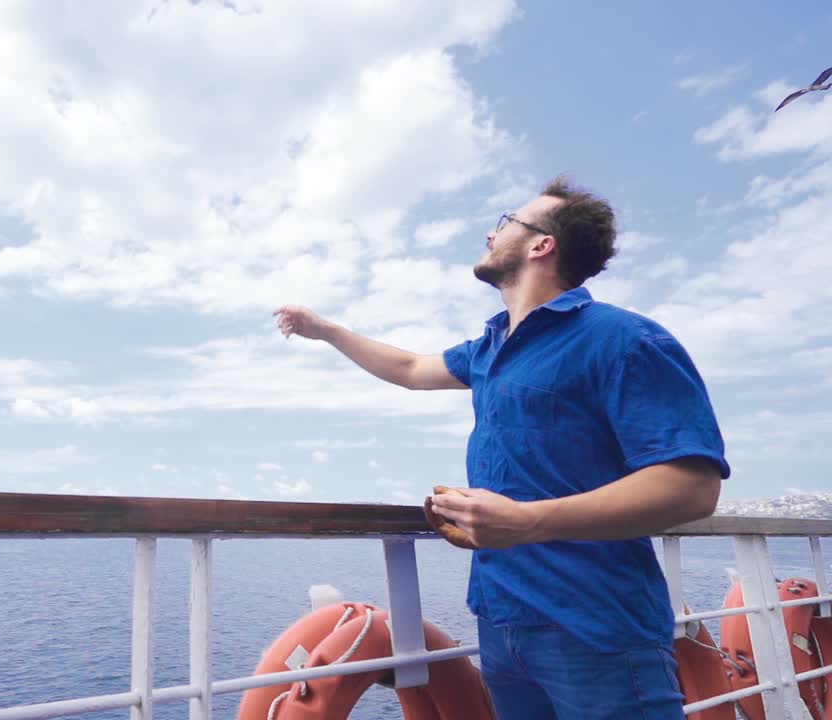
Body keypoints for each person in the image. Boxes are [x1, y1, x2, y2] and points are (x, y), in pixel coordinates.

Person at [273, 176, 728, 719]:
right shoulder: (491, 347)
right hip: (503, 622)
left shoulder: (625, 340)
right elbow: (411, 369)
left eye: (507, 221)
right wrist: (325, 330)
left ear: (542, 245)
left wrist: (529, 520)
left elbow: (692, 488)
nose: (492, 231)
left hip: (596, 627)